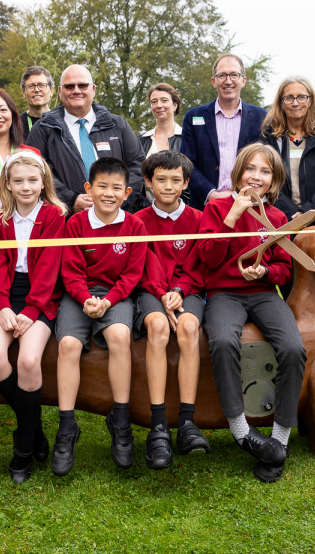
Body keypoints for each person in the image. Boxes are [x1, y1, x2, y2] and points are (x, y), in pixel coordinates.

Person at [197, 142, 306, 483]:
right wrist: (231, 216)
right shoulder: (216, 209)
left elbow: (284, 270)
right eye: (251, 169)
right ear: (238, 172)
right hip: (223, 293)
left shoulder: (277, 218)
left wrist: (266, 273)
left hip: (262, 293)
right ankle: (241, 430)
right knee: (223, 343)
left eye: (265, 171)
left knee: (293, 348)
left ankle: (279, 439)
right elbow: (207, 259)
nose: (256, 177)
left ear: (274, 181)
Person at [51, 157, 148, 476]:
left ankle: (120, 422)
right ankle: (66, 428)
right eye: (102, 186)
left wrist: (107, 301)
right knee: (67, 345)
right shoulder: (75, 224)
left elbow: (132, 274)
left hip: (115, 294)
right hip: (77, 292)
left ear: (127, 192)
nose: (109, 193)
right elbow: (70, 271)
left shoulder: (135, 226)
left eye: (116, 188)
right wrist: (84, 298)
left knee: (120, 338)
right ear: (89, 189)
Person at [0, 151, 66, 483]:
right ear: (8, 184)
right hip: (5, 293)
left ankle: (22, 450)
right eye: (18, 180)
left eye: (32, 180)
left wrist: (31, 310)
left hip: (40, 297)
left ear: (43, 182)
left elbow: (49, 269)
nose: (26, 186)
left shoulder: (54, 216)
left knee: (29, 361)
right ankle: (34, 431)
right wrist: (2, 305)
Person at [134, 150, 210, 469]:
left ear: (186, 183)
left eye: (175, 180)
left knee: (190, 328)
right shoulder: (137, 222)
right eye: (160, 179)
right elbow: (142, 263)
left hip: (187, 290)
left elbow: (200, 263)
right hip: (152, 291)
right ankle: (158, 424)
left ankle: (188, 423)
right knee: (158, 328)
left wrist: (179, 291)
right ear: (148, 182)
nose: (168, 186)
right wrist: (162, 294)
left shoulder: (198, 219)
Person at [26, 64, 144, 213]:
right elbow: (35, 171)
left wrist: (119, 197)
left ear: (93, 90)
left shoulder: (117, 125)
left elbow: (138, 164)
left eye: (82, 85)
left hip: (117, 219)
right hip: (68, 220)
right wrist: (71, 199)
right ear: (61, 92)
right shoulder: (43, 129)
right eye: (70, 86)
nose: (76, 91)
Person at [180, 53, 267, 210]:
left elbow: (268, 163)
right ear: (214, 81)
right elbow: (187, 163)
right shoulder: (194, 117)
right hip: (204, 206)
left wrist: (244, 194)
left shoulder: (261, 117)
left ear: (243, 80)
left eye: (234, 74)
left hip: (250, 205)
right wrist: (211, 194)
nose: (228, 81)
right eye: (222, 75)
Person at [261, 75, 315, 226]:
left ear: (310, 101)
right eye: (289, 98)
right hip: (283, 218)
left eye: (301, 97)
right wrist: (292, 212)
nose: (295, 103)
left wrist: (309, 211)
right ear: (281, 103)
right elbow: (267, 178)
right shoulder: (269, 136)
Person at [18, 66, 54, 138]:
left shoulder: (62, 122)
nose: (37, 90)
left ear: (51, 91)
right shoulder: (16, 124)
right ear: (23, 93)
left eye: (41, 85)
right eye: (31, 86)